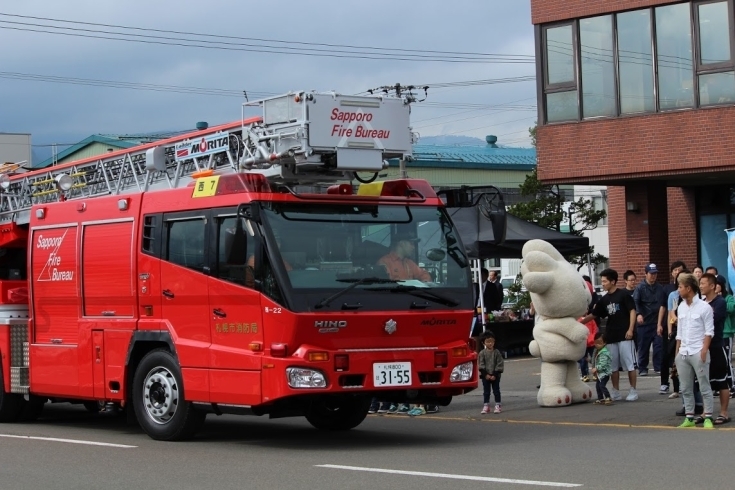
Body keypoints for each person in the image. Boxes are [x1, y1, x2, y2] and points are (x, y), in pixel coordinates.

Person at [580, 268, 638, 401]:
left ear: (613, 281)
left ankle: (633, 390)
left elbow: (632, 311)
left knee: (630, 364)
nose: (603, 283)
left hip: (625, 336)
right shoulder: (604, 300)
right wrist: (581, 322)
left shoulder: (624, 295)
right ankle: (616, 391)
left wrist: (630, 329)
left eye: (605, 281)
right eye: (602, 281)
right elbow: (594, 314)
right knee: (613, 366)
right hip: (611, 337)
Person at [675, 273, 715, 429]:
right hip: (683, 352)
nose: (678, 290)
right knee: (685, 387)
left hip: (698, 351)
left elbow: (709, 331)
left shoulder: (705, 307)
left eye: (680, 287)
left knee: (704, 386)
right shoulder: (681, 307)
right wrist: (677, 354)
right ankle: (689, 418)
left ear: (688, 288)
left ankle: (708, 417)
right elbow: (679, 332)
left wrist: (704, 350)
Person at [700, 273, 731, 425]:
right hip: (701, 347)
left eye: (703, 283)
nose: (700, 286)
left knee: (721, 381)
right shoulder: (701, 302)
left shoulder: (720, 302)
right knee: (705, 381)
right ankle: (706, 412)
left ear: (712, 286)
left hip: (717, 345)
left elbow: (711, 320)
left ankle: (724, 413)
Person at [633, 263, 666, 377]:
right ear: (646, 274)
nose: (653, 276)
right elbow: (635, 302)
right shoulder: (640, 288)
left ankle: (658, 366)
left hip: (657, 322)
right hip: (644, 323)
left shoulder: (660, 288)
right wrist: (638, 314)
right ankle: (642, 368)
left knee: (658, 346)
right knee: (643, 346)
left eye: (655, 274)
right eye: (651, 274)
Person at [658, 261, 686, 394]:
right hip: (675, 330)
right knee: (671, 357)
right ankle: (670, 385)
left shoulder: (694, 296)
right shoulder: (671, 293)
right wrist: (668, 329)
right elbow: (669, 312)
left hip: (689, 331)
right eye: (675, 271)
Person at [478, 331, 504, 414]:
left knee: (496, 390)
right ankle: (486, 405)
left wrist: (495, 374)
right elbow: (481, 365)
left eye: (491, 341)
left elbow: (500, 363)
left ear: (494, 342)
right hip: (486, 376)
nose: (490, 343)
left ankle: (498, 405)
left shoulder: (497, 352)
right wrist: (485, 374)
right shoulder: (482, 353)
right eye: (488, 342)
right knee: (486, 391)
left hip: (495, 376)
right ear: (483, 343)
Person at [592, 332, 613, 405]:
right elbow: (595, 360)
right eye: (596, 342)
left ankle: (608, 397)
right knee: (598, 386)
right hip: (600, 373)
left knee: (601, 385)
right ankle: (600, 398)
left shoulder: (604, 353)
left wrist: (596, 368)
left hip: (605, 373)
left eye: (599, 343)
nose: (597, 344)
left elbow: (603, 364)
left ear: (604, 343)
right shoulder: (598, 351)